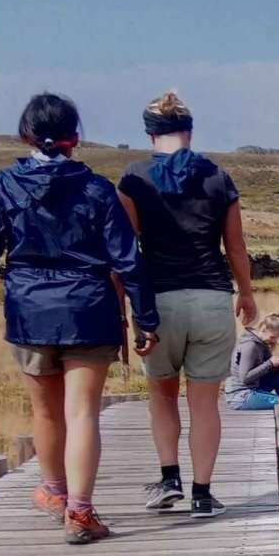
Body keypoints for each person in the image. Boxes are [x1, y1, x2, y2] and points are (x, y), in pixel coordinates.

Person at [0, 93, 158, 545]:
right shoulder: (96, 189)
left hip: (29, 311)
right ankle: (80, 511)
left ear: (25, 134)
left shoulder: (4, 184)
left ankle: (54, 493)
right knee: (83, 412)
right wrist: (146, 319)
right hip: (88, 307)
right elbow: (128, 260)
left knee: (46, 410)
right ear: (76, 138)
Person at [117, 91, 257, 518]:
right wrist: (247, 293)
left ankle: (169, 478)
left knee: (161, 396)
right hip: (212, 298)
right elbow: (235, 248)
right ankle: (202, 493)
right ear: (190, 132)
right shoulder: (218, 176)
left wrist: (122, 305)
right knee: (204, 402)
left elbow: (125, 252)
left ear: (149, 135)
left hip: (158, 301)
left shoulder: (135, 178)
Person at [227, 313, 279, 410]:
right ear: (263, 329)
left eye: (276, 338)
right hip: (241, 395)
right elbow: (245, 378)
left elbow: (267, 371)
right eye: (272, 337)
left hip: (254, 388)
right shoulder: (250, 345)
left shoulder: (262, 344)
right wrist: (269, 364)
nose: (274, 341)